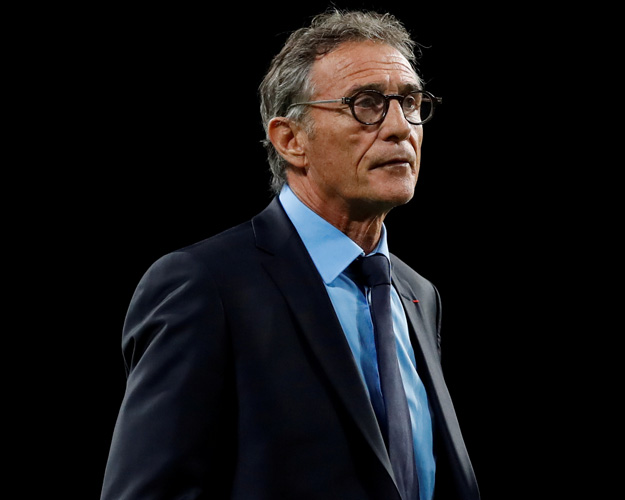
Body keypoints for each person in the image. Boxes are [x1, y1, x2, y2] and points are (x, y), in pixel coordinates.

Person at [100, 8, 479, 500]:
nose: (399, 127)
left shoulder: (418, 295)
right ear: (291, 140)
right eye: (366, 104)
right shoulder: (205, 285)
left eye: (410, 102)